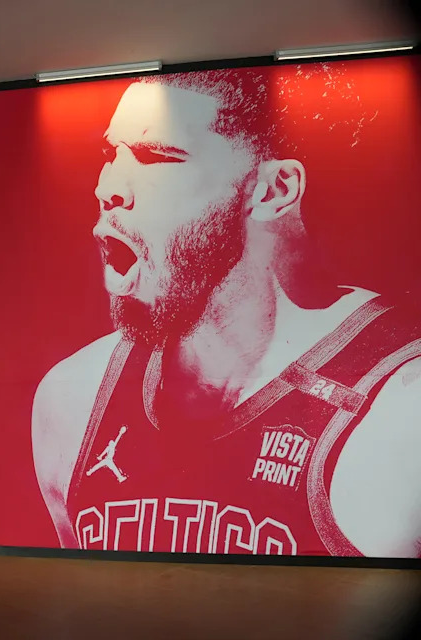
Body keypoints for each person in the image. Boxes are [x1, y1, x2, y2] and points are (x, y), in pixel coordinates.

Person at [31, 65, 421, 558]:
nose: (108, 186)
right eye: (111, 153)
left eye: (156, 156)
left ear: (273, 190)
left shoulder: (400, 409)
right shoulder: (72, 398)